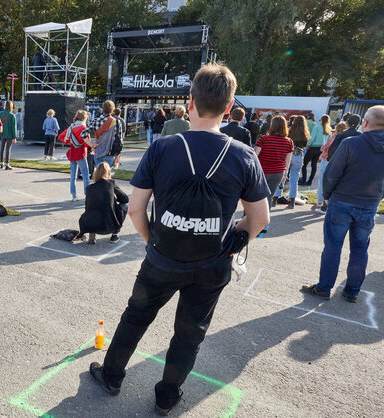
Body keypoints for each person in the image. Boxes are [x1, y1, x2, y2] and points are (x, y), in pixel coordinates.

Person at [88, 64, 271, 415]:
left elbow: (136, 208)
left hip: (162, 258)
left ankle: (111, 376)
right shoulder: (243, 154)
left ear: (190, 101)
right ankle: (167, 396)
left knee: (136, 317)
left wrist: (151, 239)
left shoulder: (163, 148)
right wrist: (236, 238)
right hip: (211, 263)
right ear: (229, 106)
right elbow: (260, 218)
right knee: (190, 334)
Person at [302, 106, 384, 303]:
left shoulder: (352, 143)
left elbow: (333, 172)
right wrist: (378, 196)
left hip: (342, 201)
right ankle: (352, 290)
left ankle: (324, 288)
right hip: (368, 205)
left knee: (333, 246)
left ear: (365, 122)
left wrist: (327, 195)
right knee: (360, 249)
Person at [78, 162, 129, 244]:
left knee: (92, 209)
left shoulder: (89, 188)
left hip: (91, 225)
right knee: (125, 207)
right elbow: (125, 199)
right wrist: (114, 200)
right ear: (108, 173)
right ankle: (114, 234)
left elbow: (87, 207)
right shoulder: (111, 184)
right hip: (110, 226)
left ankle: (92, 235)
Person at [254, 116, 293, 207]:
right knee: (269, 197)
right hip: (278, 172)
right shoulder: (289, 142)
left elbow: (254, 156)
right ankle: (264, 220)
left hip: (262, 171)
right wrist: (285, 173)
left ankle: (248, 218)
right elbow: (288, 161)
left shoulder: (263, 139)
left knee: (254, 196)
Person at [313, 121, 348, 214]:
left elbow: (322, 148)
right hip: (337, 162)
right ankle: (328, 202)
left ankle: (320, 201)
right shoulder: (345, 140)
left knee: (322, 181)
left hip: (326, 160)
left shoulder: (333, 139)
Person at [276, 115, 309, 209]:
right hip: (298, 155)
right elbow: (304, 146)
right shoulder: (305, 133)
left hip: (288, 154)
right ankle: (292, 201)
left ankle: (275, 197)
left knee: (282, 175)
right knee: (294, 179)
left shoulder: (289, 130)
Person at [84, 100, 118, 168]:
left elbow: (83, 134)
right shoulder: (116, 122)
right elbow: (119, 139)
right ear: (112, 109)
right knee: (107, 175)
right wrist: (117, 156)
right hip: (110, 152)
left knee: (99, 174)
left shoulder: (96, 121)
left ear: (103, 108)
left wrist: (91, 145)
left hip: (98, 151)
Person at [300, 115, 331, 185]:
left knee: (305, 164)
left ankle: (303, 180)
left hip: (313, 147)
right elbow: (329, 141)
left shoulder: (317, 127)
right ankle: (310, 181)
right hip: (320, 149)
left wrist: (307, 145)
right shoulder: (329, 129)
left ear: (321, 120)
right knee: (314, 164)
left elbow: (312, 138)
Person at [0, 100, 18, 170]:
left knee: (2, 148)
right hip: (9, 134)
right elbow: (14, 127)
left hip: (2, 133)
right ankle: (7, 164)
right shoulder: (12, 115)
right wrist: (14, 137)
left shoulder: (0, 113)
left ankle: (1, 163)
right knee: (8, 149)